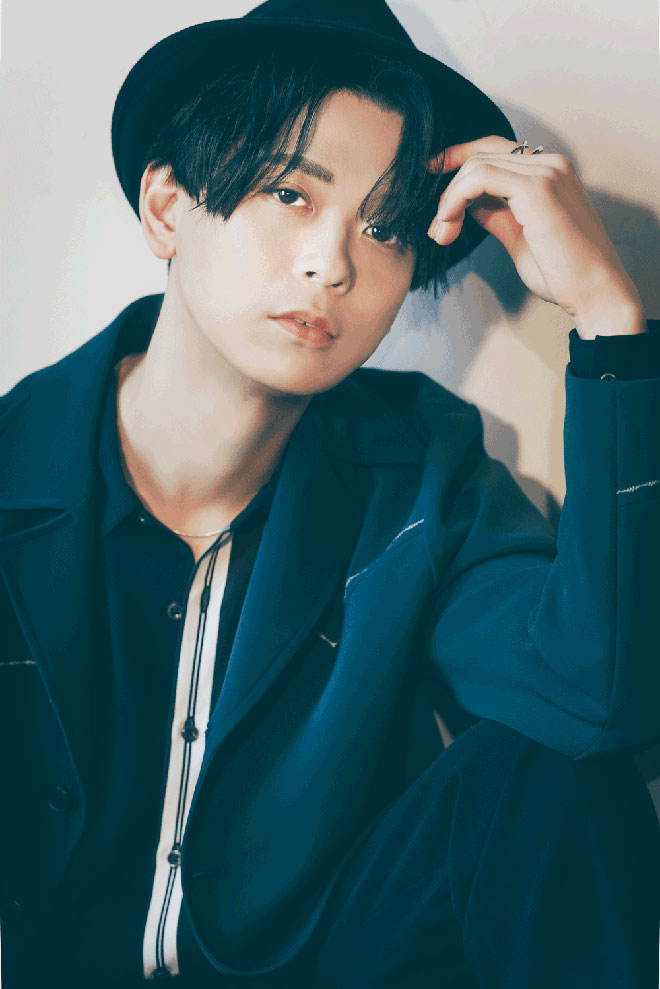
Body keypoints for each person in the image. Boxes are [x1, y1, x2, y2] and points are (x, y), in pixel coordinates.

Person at [2, 0, 660, 986]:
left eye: (385, 227)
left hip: (335, 964)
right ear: (168, 208)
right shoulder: (17, 464)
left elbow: (596, 702)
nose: (333, 264)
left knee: (555, 764)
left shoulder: (425, 477)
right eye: (290, 193)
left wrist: (609, 322)